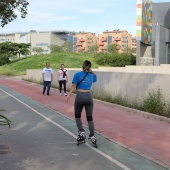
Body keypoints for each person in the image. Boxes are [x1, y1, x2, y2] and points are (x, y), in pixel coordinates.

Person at [65, 60, 97, 145]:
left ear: (82, 66)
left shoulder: (77, 74)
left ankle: (82, 133)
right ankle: (92, 136)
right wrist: (91, 71)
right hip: (89, 96)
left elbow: (73, 85)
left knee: (77, 116)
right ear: (89, 67)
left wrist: (68, 95)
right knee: (90, 118)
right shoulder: (91, 75)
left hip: (80, 95)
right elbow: (95, 77)